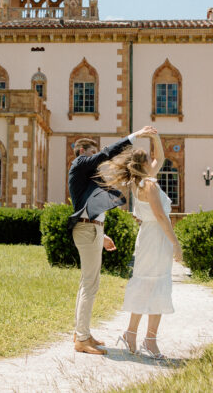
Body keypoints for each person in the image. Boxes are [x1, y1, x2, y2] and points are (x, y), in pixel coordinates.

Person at [68, 125, 158, 355]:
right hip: (87, 230)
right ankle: (81, 339)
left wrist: (102, 233)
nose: (97, 157)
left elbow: (89, 206)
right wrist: (134, 136)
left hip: (92, 230)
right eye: (92, 152)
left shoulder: (88, 177)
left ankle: (83, 333)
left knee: (89, 283)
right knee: (89, 284)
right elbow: (106, 154)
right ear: (82, 152)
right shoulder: (79, 164)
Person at [98, 129, 177, 359]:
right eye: (148, 160)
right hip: (156, 237)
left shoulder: (139, 183)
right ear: (144, 165)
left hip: (148, 237)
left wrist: (155, 138)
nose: (154, 163)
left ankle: (132, 333)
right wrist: (176, 244)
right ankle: (149, 340)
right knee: (156, 284)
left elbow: (159, 158)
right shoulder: (149, 185)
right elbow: (161, 217)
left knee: (146, 284)